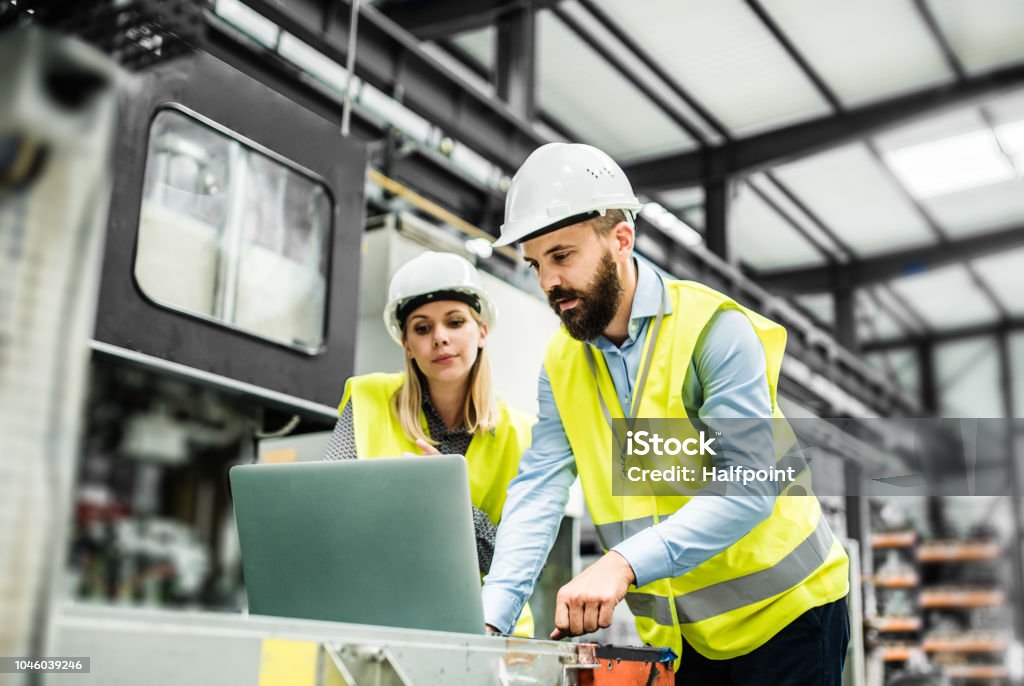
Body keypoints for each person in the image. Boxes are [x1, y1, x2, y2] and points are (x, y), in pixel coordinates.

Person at [481, 143, 850, 685]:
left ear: (621, 240)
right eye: (536, 264)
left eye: (562, 256)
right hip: (685, 637)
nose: (547, 283)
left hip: (791, 615)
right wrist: (493, 617)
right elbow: (539, 488)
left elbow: (749, 485)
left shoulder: (714, 332)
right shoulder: (561, 364)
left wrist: (622, 564)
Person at [324, 250, 534, 637]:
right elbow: (331, 513)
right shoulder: (368, 399)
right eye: (422, 328)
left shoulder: (522, 434)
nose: (440, 338)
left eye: (455, 322)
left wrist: (445, 500)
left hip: (488, 628)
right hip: (382, 618)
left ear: (481, 331)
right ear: (407, 344)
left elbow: (513, 557)